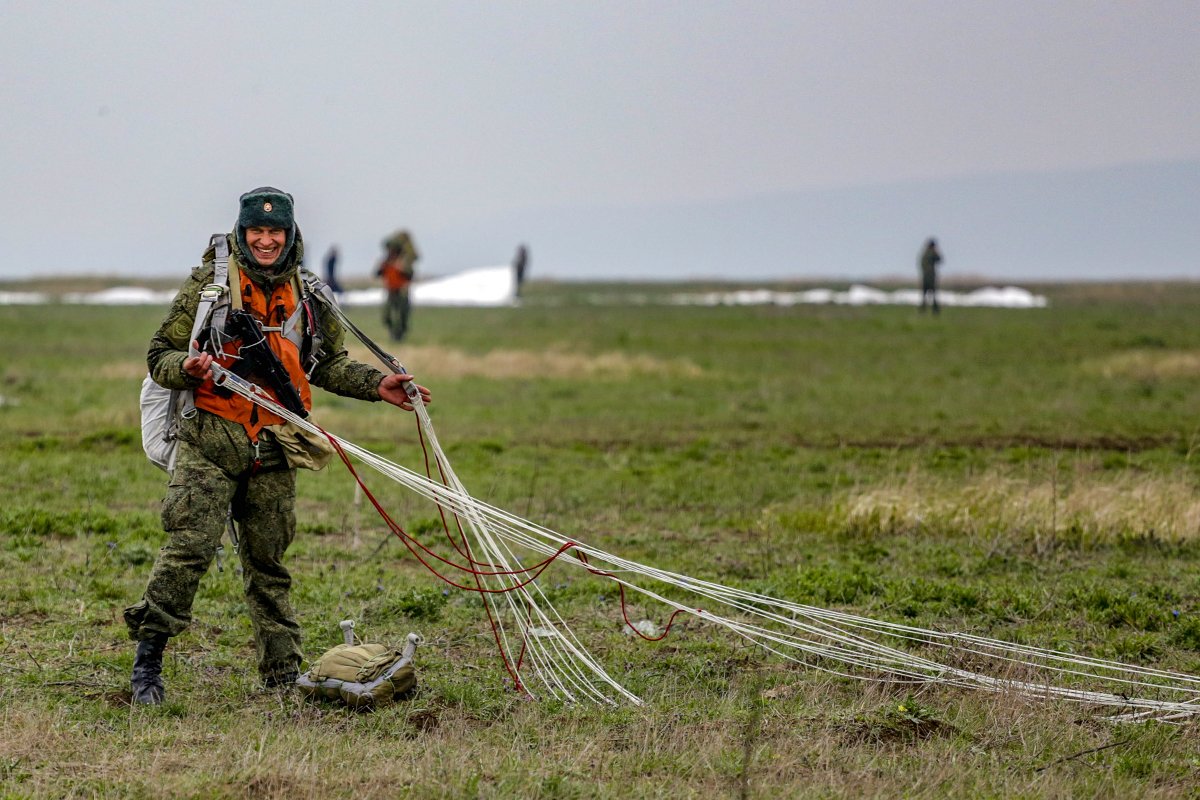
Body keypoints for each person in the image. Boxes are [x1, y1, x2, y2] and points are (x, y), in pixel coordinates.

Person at [124, 187, 431, 704]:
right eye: (256, 231)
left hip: (275, 444)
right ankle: (147, 666)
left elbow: (327, 362)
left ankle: (282, 675)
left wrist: (376, 386)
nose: (266, 240)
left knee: (268, 563)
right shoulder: (210, 286)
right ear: (242, 234)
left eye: (276, 232)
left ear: (291, 235)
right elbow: (160, 355)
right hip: (211, 436)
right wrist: (189, 367)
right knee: (189, 549)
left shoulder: (309, 293)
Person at [376, 230, 419, 341]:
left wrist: (401, 268)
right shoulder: (386, 261)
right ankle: (393, 333)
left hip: (402, 291)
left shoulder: (403, 261)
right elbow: (378, 273)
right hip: (390, 290)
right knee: (387, 315)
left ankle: (400, 336)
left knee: (402, 315)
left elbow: (410, 275)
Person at [919, 238, 943, 314]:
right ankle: (935, 310)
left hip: (925, 276)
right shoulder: (932, 253)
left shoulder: (924, 253)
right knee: (933, 295)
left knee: (924, 295)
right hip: (931, 277)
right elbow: (940, 259)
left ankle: (922, 310)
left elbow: (921, 265)